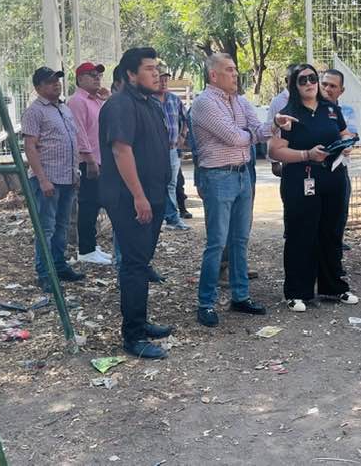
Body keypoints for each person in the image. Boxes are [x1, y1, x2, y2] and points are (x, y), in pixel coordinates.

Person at [191, 53, 294, 327]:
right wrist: (253, 134)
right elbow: (236, 137)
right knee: (217, 242)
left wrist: (274, 124)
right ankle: (206, 302)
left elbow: (259, 131)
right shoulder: (204, 103)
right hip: (218, 177)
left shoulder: (239, 101)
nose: (235, 74)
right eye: (229, 70)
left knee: (239, 239)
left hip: (241, 175)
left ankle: (240, 296)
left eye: (235, 69)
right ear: (213, 75)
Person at [99, 47, 173, 359]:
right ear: (130, 74)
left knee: (141, 263)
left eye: (157, 68)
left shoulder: (150, 104)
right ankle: (133, 336)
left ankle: (140, 322)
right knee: (133, 264)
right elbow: (121, 151)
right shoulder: (120, 104)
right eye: (148, 69)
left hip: (153, 196)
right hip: (129, 199)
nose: (156, 74)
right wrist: (139, 196)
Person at [269, 64, 359, 312]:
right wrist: (306, 154)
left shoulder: (330, 109)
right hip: (302, 180)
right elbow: (275, 150)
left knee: (331, 232)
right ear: (294, 85)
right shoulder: (288, 114)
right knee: (301, 234)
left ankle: (334, 287)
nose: (309, 83)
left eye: (312, 78)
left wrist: (347, 143)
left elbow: (343, 132)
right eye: (302, 80)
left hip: (333, 178)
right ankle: (297, 292)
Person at [21, 66, 85, 290]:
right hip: (48, 179)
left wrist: (76, 172)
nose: (56, 84)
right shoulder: (35, 111)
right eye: (49, 82)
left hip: (67, 177)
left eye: (57, 80)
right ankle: (44, 272)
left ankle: (59, 265)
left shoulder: (64, 109)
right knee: (45, 228)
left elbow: (72, 142)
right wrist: (42, 179)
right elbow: (30, 147)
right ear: (38, 87)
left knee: (62, 226)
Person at [66, 62, 112, 265]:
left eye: (98, 75)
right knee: (88, 205)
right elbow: (79, 133)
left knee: (94, 205)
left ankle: (92, 245)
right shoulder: (77, 101)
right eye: (91, 75)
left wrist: (107, 98)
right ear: (80, 79)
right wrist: (90, 159)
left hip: (100, 159)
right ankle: (85, 249)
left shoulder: (97, 100)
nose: (97, 78)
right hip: (89, 161)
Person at [320, 69, 355, 261]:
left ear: (341, 90)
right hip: (313, 173)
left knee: (339, 215)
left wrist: (346, 143)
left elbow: (350, 135)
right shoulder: (308, 110)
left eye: (333, 86)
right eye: (324, 84)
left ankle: (334, 260)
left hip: (338, 170)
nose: (327, 89)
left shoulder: (345, 112)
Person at [154, 71, 191, 231]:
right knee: (157, 184)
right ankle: (162, 218)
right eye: (160, 80)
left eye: (165, 80)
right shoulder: (150, 101)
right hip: (155, 150)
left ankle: (172, 218)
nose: (163, 83)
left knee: (171, 183)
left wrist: (182, 135)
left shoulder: (174, 99)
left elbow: (186, 119)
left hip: (172, 149)